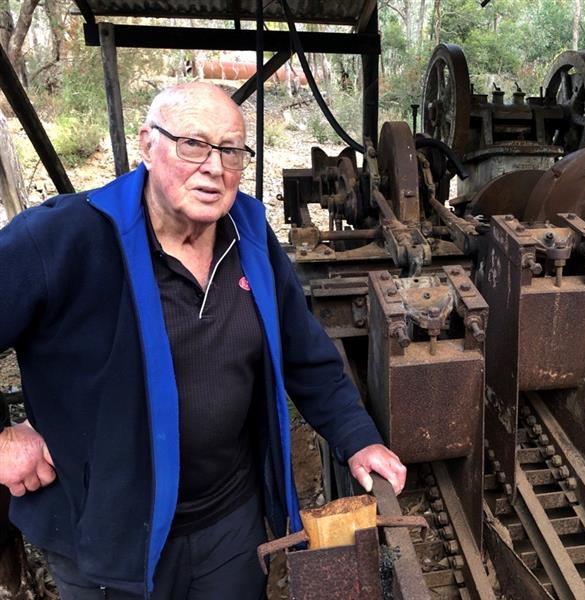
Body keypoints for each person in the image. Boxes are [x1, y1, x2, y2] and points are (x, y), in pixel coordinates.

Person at [0, 82, 406, 599]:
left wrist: (359, 436)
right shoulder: (63, 239)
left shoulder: (250, 232)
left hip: (227, 528)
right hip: (107, 541)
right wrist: (3, 441)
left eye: (231, 150)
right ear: (147, 145)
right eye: (192, 144)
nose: (214, 167)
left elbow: (306, 355)